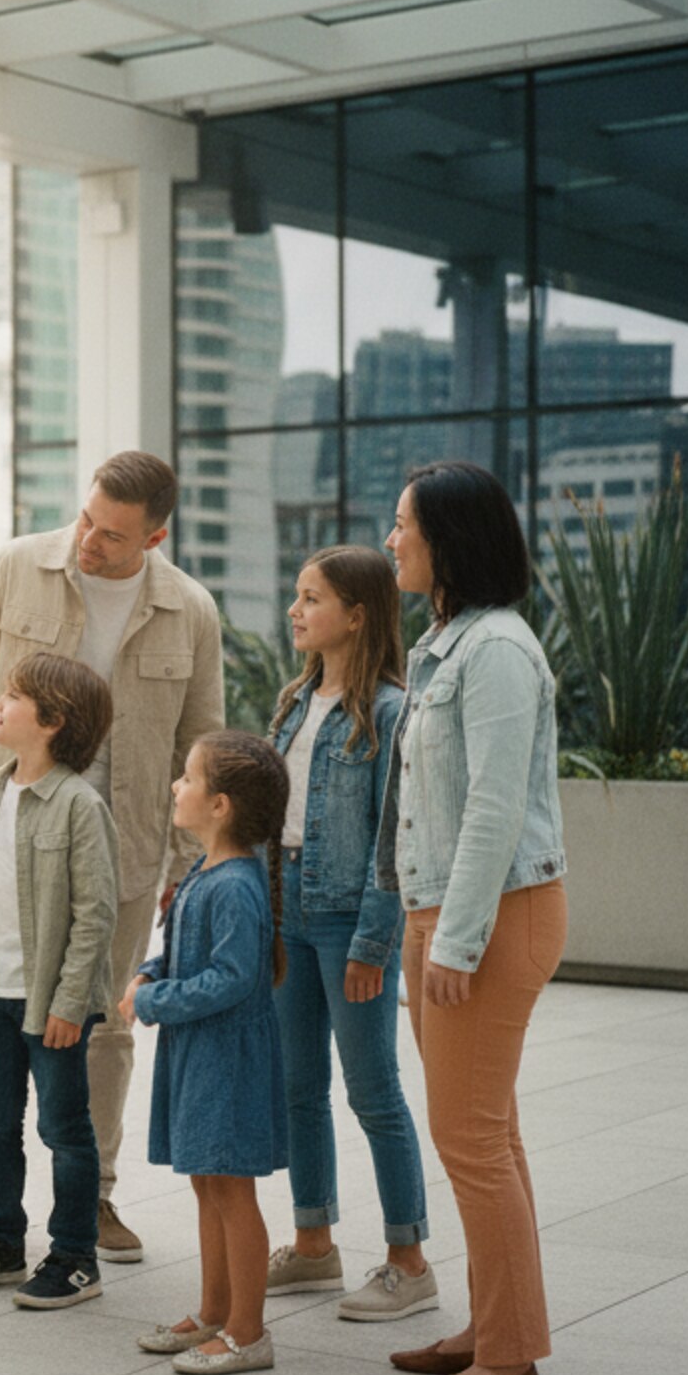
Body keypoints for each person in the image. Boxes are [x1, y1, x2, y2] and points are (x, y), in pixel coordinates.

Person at [0, 451, 224, 1267]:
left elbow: (202, 737)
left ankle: (89, 1197)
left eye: (113, 534)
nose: (89, 540)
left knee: (101, 1025)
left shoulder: (190, 609)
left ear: (155, 536)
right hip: (11, 829)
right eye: (87, 518)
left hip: (124, 842)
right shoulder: (17, 568)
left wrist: (191, 860)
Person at [379, 461, 568, 1375]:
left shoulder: (496, 649)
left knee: (470, 1140)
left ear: (450, 537)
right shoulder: (444, 643)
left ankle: (509, 1363)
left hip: (488, 919)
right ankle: (496, 1327)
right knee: (488, 1134)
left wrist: (453, 943)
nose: (391, 537)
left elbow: (495, 807)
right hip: (444, 912)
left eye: (404, 523)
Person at [265, 548, 437, 1323]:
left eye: (312, 598)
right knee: (299, 1089)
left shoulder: (394, 711)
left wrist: (374, 941)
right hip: (289, 911)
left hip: (346, 915)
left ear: (358, 614)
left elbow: (393, 840)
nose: (295, 610)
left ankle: (409, 1260)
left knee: (374, 1091)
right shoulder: (296, 701)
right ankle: (313, 1246)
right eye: (297, 597)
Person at [0, 654, 120, 1310]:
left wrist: (71, 1002)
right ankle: (1, 1242)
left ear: (52, 722)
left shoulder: (78, 804)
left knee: (65, 1131)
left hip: (51, 1005)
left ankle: (74, 1257)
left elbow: (96, 916)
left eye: (13, 697)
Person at [123, 731, 289, 1375]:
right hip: (200, 1054)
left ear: (220, 805)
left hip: (228, 1059)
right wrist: (148, 971)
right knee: (206, 1183)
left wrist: (157, 1000)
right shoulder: (207, 872)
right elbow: (184, 950)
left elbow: (232, 977)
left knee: (231, 1190)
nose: (175, 786)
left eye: (188, 779)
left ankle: (249, 1332)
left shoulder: (235, 884)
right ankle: (215, 1311)